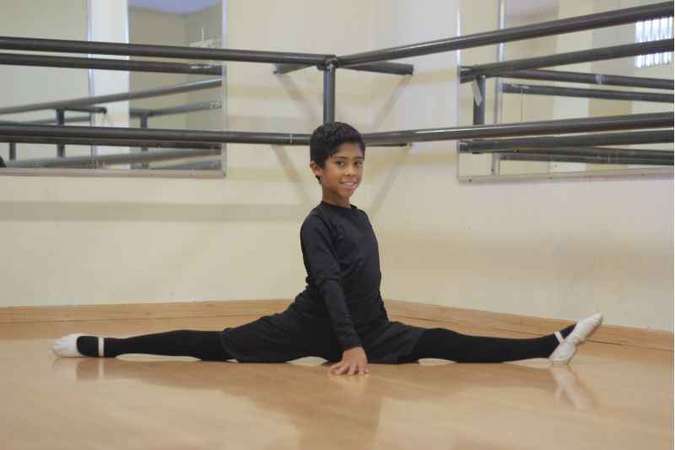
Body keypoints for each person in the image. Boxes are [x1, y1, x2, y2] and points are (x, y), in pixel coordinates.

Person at [52, 122, 603, 375]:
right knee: (214, 346)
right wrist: (351, 346)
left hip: (368, 327)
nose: (352, 172)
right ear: (317, 169)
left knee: (441, 340)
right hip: (309, 326)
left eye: (358, 163)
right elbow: (332, 285)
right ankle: (106, 345)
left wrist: (375, 335)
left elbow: (368, 284)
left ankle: (548, 345)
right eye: (341, 163)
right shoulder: (316, 224)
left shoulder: (359, 218)